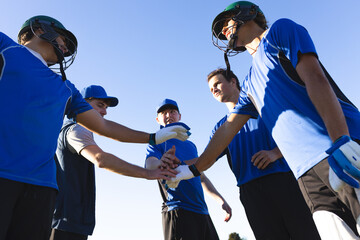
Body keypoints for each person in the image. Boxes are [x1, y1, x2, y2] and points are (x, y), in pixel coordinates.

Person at [167, 1, 360, 239]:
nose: (224, 31)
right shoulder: (249, 83)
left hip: (341, 148)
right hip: (305, 175)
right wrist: (190, 170)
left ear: (247, 14)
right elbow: (227, 130)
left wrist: (341, 140)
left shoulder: (280, 31)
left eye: (227, 22)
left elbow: (316, 80)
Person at [0, 15, 189, 240]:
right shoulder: (6, 48)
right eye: (63, 39)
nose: (65, 47)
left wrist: (152, 137)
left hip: (43, 187)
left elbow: (104, 126)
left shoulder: (65, 87)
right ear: (40, 30)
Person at [206, 68, 320, 239]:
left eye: (217, 83)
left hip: (284, 181)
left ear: (233, 82)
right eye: (210, 89)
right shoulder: (220, 128)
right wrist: (174, 162)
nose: (213, 89)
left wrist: (275, 153)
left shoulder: (264, 108)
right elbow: (205, 159)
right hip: (251, 193)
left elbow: (299, 129)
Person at [51, 85, 177, 240]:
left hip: (68, 219)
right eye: (100, 105)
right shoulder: (76, 129)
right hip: (66, 221)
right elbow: (100, 159)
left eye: (106, 107)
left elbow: (111, 130)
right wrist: (147, 173)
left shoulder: (68, 129)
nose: (104, 112)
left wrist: (153, 138)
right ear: (82, 103)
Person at [145, 99, 232, 240]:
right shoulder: (156, 142)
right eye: (164, 113)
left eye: (172, 111)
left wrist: (221, 201)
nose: (168, 115)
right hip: (177, 211)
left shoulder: (191, 145)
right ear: (157, 119)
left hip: (203, 212)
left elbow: (201, 177)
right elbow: (150, 165)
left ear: (179, 116)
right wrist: (162, 162)